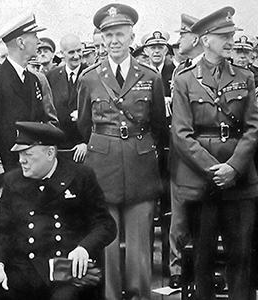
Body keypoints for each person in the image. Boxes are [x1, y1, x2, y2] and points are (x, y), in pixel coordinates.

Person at [77, 4, 167, 300]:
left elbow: (157, 125)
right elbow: (84, 124)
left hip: (140, 165)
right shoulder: (89, 78)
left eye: (119, 34)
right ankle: (111, 296)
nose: (114, 41)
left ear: (131, 36)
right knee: (108, 241)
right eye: (108, 35)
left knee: (141, 243)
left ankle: (140, 295)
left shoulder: (150, 76)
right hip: (102, 167)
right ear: (101, 39)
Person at [172, 6, 258, 300]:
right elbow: (182, 134)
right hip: (202, 182)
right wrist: (215, 170)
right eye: (223, 35)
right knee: (203, 258)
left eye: (232, 34)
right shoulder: (184, 80)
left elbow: (253, 128)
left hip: (240, 181)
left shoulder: (245, 77)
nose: (230, 40)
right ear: (205, 40)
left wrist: (233, 168)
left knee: (241, 257)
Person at [0, 121, 116, 300]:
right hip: (25, 268)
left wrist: (85, 248)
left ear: (50, 153)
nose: (21, 161)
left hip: (66, 269)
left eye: (28, 154)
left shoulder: (80, 177)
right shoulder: (13, 180)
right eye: (19, 154)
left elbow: (105, 224)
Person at [0, 12, 58, 198]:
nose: (39, 41)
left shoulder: (33, 80)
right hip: (8, 176)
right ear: (21, 43)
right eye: (34, 37)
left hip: (34, 173)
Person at [167, 13, 203, 289]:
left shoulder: (212, 70)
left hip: (209, 153)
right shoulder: (181, 71)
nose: (179, 40)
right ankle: (177, 269)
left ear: (197, 37)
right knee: (178, 221)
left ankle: (208, 270)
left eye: (183, 34)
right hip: (181, 155)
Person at [46, 35, 87, 162]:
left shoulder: (91, 75)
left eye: (79, 51)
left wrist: (87, 142)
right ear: (62, 54)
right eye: (71, 52)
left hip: (84, 149)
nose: (76, 56)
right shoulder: (51, 77)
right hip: (60, 148)